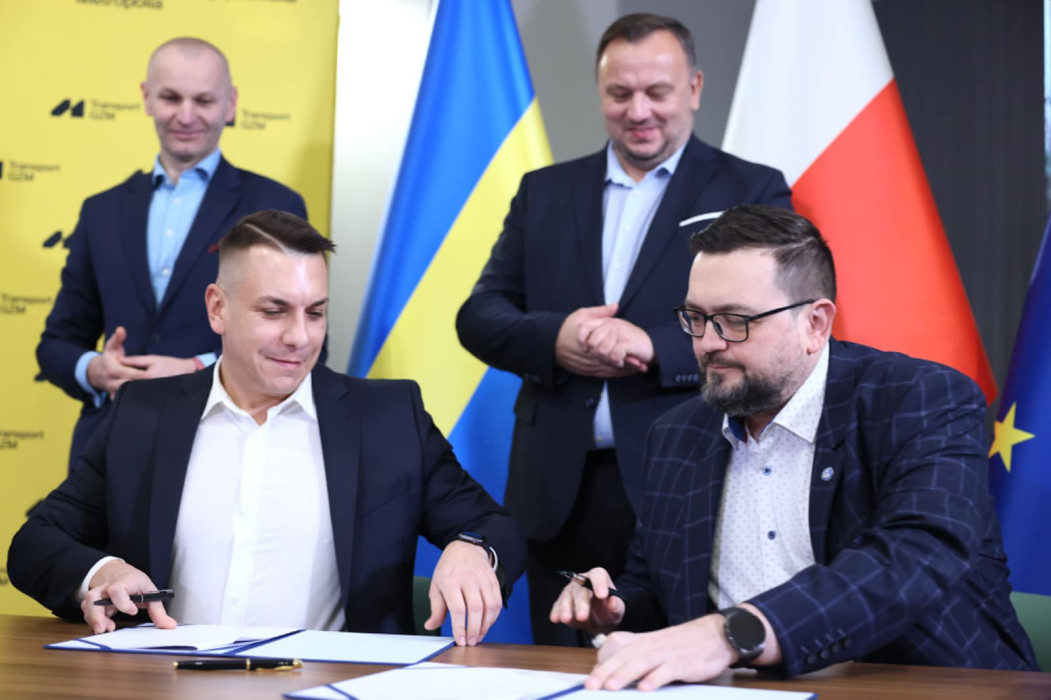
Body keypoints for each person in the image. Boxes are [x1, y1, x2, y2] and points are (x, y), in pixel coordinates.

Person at [550, 205, 1038, 689]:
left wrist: (731, 634)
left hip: (928, 685)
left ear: (815, 324)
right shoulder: (677, 434)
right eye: (695, 317)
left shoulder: (920, 400)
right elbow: (659, 590)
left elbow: (913, 556)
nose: (708, 343)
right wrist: (617, 606)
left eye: (734, 320)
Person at [10, 210, 525, 647]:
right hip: (161, 688)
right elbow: (35, 543)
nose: (300, 337)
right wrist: (101, 573)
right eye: (274, 311)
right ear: (218, 309)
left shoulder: (387, 419)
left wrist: (474, 548)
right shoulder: (144, 414)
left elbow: (495, 527)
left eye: (315, 313)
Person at [456, 13, 791, 645]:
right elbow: (480, 315)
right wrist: (556, 338)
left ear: (694, 88)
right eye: (620, 93)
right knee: (558, 666)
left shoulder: (752, 189)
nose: (638, 111)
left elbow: (777, 319)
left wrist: (657, 346)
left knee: (683, 660)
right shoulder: (544, 191)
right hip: (556, 491)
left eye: (657, 92)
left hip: (688, 475)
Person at [37, 37, 308, 472]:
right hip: (109, 453)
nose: (185, 115)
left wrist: (197, 370)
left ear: (230, 104)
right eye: (170, 98)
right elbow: (56, 344)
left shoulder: (275, 207)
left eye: (203, 100)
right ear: (147, 98)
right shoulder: (101, 211)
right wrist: (95, 369)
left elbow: (302, 348)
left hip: (225, 451)